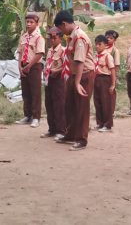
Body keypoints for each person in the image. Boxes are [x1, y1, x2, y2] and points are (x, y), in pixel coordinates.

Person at [54, 10, 95, 151]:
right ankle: (70, 134)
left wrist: (77, 83)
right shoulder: (70, 36)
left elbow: (80, 61)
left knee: (81, 107)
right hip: (74, 74)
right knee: (69, 105)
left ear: (64, 24)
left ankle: (81, 139)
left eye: (60, 28)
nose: (61, 31)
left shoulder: (79, 37)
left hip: (84, 75)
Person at [15, 13, 45, 128]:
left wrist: (29, 66)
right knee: (25, 92)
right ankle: (27, 115)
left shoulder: (39, 38)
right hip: (23, 65)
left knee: (35, 92)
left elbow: (39, 54)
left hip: (34, 66)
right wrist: (20, 66)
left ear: (36, 24)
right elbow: (20, 52)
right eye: (27, 22)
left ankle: (36, 117)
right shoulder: (23, 36)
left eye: (31, 22)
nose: (28, 24)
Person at [42, 27, 66, 140]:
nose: (52, 40)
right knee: (49, 105)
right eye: (50, 37)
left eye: (54, 37)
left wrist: (55, 71)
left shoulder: (63, 51)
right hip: (49, 80)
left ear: (60, 38)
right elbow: (48, 63)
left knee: (59, 106)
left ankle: (61, 130)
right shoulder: (50, 50)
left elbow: (66, 67)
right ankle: (52, 129)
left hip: (58, 81)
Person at [93, 35, 116, 132]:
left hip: (105, 79)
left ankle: (107, 124)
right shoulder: (96, 56)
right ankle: (100, 123)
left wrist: (113, 84)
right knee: (97, 102)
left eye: (100, 44)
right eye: (96, 44)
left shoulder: (107, 56)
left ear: (105, 45)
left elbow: (112, 70)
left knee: (106, 102)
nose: (97, 46)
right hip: (96, 79)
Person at [105, 30, 121, 115]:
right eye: (107, 37)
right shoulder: (102, 47)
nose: (108, 39)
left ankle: (111, 112)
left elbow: (117, 65)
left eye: (111, 38)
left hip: (111, 75)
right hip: (102, 75)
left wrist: (114, 78)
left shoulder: (115, 50)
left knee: (111, 94)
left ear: (114, 40)